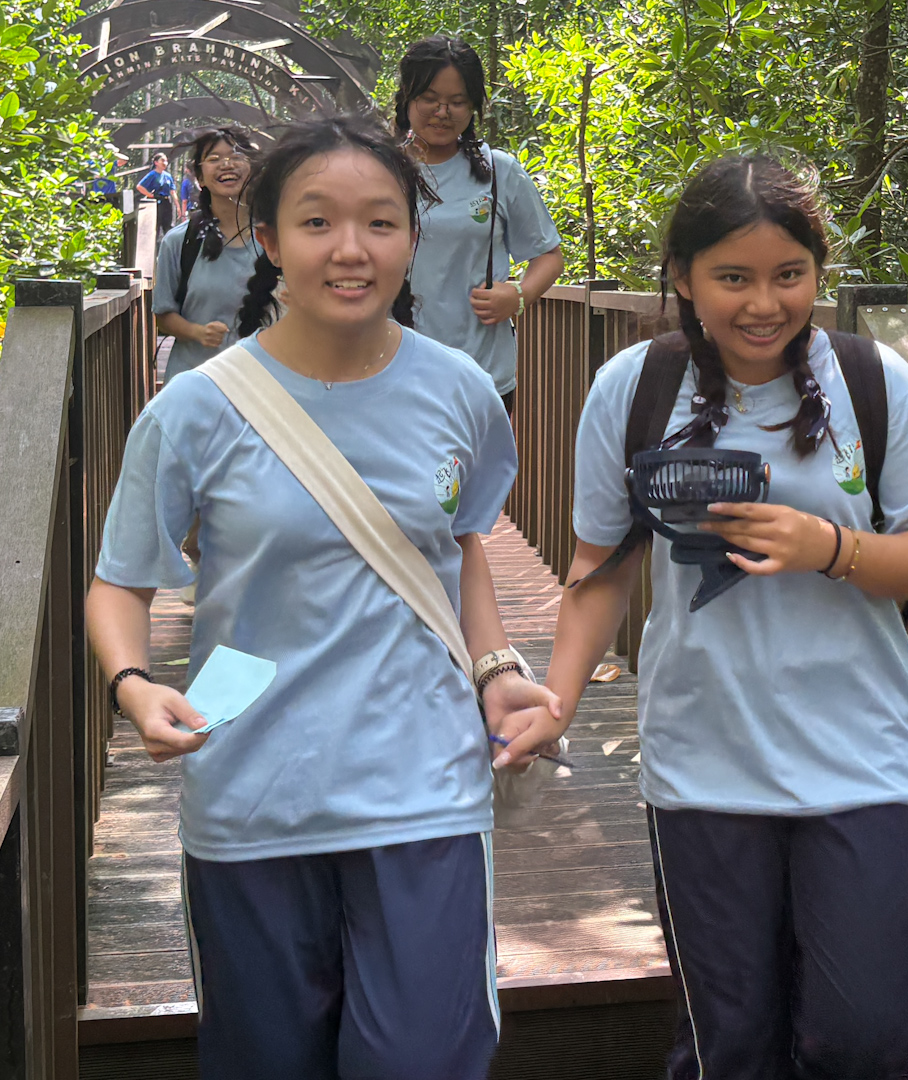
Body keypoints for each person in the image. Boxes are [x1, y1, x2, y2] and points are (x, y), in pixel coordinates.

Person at [84, 114, 560, 1080]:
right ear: (268, 239)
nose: (352, 250)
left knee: (423, 1059)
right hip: (254, 792)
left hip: (423, 787)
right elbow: (118, 582)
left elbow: (461, 546)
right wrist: (134, 684)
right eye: (317, 223)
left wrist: (498, 667)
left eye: (381, 222)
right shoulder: (194, 409)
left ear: (413, 238)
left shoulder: (461, 390)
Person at [540, 154, 908, 1078]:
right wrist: (556, 701)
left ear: (819, 272)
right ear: (684, 277)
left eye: (789, 275)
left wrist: (831, 547)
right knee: (730, 1045)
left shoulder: (876, 383)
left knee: (874, 1036)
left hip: (865, 759)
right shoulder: (634, 387)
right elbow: (600, 568)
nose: (764, 304)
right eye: (733, 278)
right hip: (705, 763)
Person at [395, 35, 564, 414]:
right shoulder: (377, 170)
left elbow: (549, 255)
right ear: (407, 97)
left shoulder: (498, 171)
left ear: (474, 106)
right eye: (429, 98)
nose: (443, 112)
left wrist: (518, 295)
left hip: (482, 375)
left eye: (457, 102)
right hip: (393, 371)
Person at [154, 127, 262, 380]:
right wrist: (198, 332)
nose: (227, 164)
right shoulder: (180, 241)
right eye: (214, 159)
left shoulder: (278, 238)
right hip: (195, 383)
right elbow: (163, 315)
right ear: (200, 177)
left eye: (236, 156)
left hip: (262, 385)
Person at [135, 151, 180, 233]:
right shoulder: (152, 174)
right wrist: (150, 195)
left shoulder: (168, 176)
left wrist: (178, 206)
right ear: (156, 163)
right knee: (156, 226)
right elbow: (139, 186)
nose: (165, 163)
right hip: (156, 202)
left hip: (166, 202)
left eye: (166, 161)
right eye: (162, 160)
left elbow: (173, 191)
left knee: (168, 226)